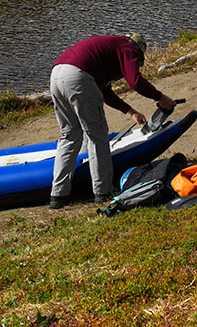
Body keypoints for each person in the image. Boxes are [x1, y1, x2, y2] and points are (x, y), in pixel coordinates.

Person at [48, 32, 183, 208]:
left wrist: (131, 111)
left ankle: (58, 196)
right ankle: (102, 192)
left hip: (56, 74)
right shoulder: (127, 48)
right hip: (78, 76)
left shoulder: (108, 50)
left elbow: (104, 92)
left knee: (70, 136)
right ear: (138, 51)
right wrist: (160, 97)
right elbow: (135, 81)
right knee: (97, 136)